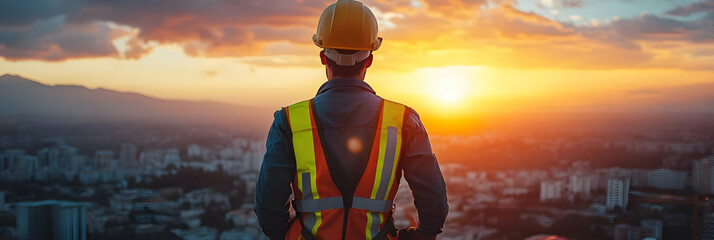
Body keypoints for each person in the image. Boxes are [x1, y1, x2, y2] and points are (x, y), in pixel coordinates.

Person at [254, 0, 448, 239]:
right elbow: (434, 201)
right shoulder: (403, 121)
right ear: (369, 60)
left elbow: (268, 208)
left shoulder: (289, 122)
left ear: (323, 57)